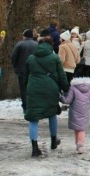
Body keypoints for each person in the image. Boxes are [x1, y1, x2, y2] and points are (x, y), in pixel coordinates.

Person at [24, 29, 70, 157]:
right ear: (51, 45)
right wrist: (66, 89)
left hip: (33, 89)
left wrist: (25, 89)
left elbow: (25, 76)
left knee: (33, 118)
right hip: (51, 89)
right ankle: (53, 140)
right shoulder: (54, 58)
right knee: (52, 113)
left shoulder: (31, 58)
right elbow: (61, 76)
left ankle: (34, 147)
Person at [60, 77, 90, 154]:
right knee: (82, 128)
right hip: (85, 111)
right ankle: (80, 145)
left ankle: (79, 145)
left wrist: (60, 97)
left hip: (74, 111)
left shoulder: (73, 88)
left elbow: (67, 100)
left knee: (77, 128)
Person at [11, 29, 38, 111]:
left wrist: (16, 67)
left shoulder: (20, 44)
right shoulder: (37, 44)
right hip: (34, 70)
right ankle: (33, 104)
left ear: (24, 36)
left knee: (23, 89)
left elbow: (14, 57)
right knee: (33, 88)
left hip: (22, 70)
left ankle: (25, 106)